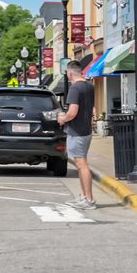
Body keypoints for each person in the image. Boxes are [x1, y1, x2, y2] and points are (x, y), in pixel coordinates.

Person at [56, 59, 97, 208]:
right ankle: (84, 196)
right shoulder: (89, 86)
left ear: (70, 72)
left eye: (67, 72)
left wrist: (63, 118)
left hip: (77, 131)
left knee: (82, 165)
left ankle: (89, 200)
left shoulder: (75, 89)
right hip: (86, 130)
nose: (66, 74)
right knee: (81, 164)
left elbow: (72, 113)